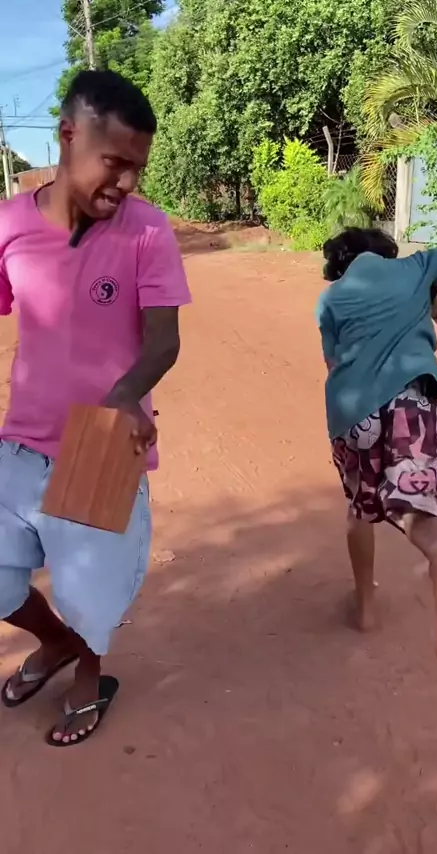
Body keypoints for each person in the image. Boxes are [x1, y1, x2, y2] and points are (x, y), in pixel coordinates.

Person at [0, 70, 191, 745]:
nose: (127, 183)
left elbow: (164, 340)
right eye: (115, 162)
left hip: (102, 442)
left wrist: (122, 397)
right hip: (20, 443)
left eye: (138, 168)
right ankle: (54, 643)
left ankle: (89, 671)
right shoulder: (9, 225)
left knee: (88, 593)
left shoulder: (147, 230)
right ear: (68, 135)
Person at [316, 227, 437, 664]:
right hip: (412, 404)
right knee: (417, 508)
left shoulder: (329, 300)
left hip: (353, 417)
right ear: (386, 253)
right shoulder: (416, 266)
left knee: (360, 508)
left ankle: (366, 609)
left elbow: (332, 362)